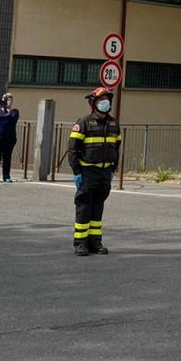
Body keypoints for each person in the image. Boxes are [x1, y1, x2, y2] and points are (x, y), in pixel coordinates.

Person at [68, 86, 121, 256]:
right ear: (93, 103)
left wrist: (113, 169)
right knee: (84, 208)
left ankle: (95, 242)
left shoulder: (113, 124)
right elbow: (73, 150)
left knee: (98, 208)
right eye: (101, 100)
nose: (104, 103)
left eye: (106, 100)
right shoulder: (83, 123)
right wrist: (77, 172)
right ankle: (80, 243)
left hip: (104, 173)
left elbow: (117, 148)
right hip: (87, 172)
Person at [0, 93, 20, 183]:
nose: (7, 102)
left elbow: (13, 120)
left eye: (9, 99)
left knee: (7, 157)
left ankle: (6, 176)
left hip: (9, 137)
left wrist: (8, 109)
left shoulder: (14, 111)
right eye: (5, 99)